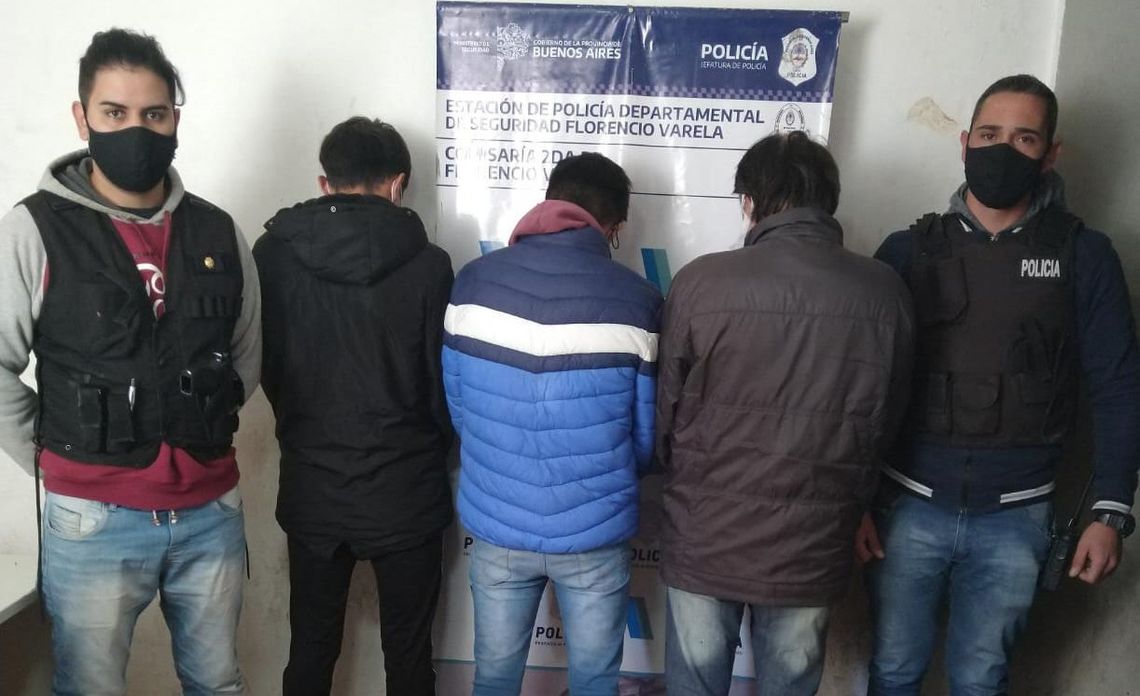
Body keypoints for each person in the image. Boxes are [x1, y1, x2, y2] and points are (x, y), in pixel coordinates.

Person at [0, 28, 261, 694]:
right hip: (91, 520)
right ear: (81, 117)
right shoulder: (34, 229)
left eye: (154, 113)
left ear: (175, 119)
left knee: (218, 684)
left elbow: (245, 355)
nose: (136, 130)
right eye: (114, 113)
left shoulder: (218, 230)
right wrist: (52, 454)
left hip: (210, 513)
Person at [862, 74, 1140, 695]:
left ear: (1051, 154)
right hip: (907, 506)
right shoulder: (907, 250)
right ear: (964, 142)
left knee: (982, 679)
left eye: (1024, 138)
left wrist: (1111, 510)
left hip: (1018, 515)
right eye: (989, 135)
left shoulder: (1084, 256)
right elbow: (863, 386)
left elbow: (1119, 386)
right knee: (893, 672)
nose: (1003, 149)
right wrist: (854, 501)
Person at [655, 131, 914, 696]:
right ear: (829, 199)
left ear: (749, 201)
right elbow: (886, 423)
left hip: (705, 532)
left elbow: (665, 418)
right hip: (813, 542)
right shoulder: (884, 292)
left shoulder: (700, 281)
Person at [442, 152, 661, 696]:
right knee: (594, 683)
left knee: (494, 678)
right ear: (613, 227)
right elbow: (644, 437)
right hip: (595, 531)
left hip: (498, 525)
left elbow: (461, 411)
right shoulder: (639, 302)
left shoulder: (472, 283)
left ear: (550, 202)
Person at [254, 116, 454, 696]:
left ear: (325, 183)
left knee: (310, 650)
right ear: (398, 183)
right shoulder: (430, 265)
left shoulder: (272, 255)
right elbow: (441, 386)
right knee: (410, 658)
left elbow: (265, 366)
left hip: (312, 480)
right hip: (407, 486)